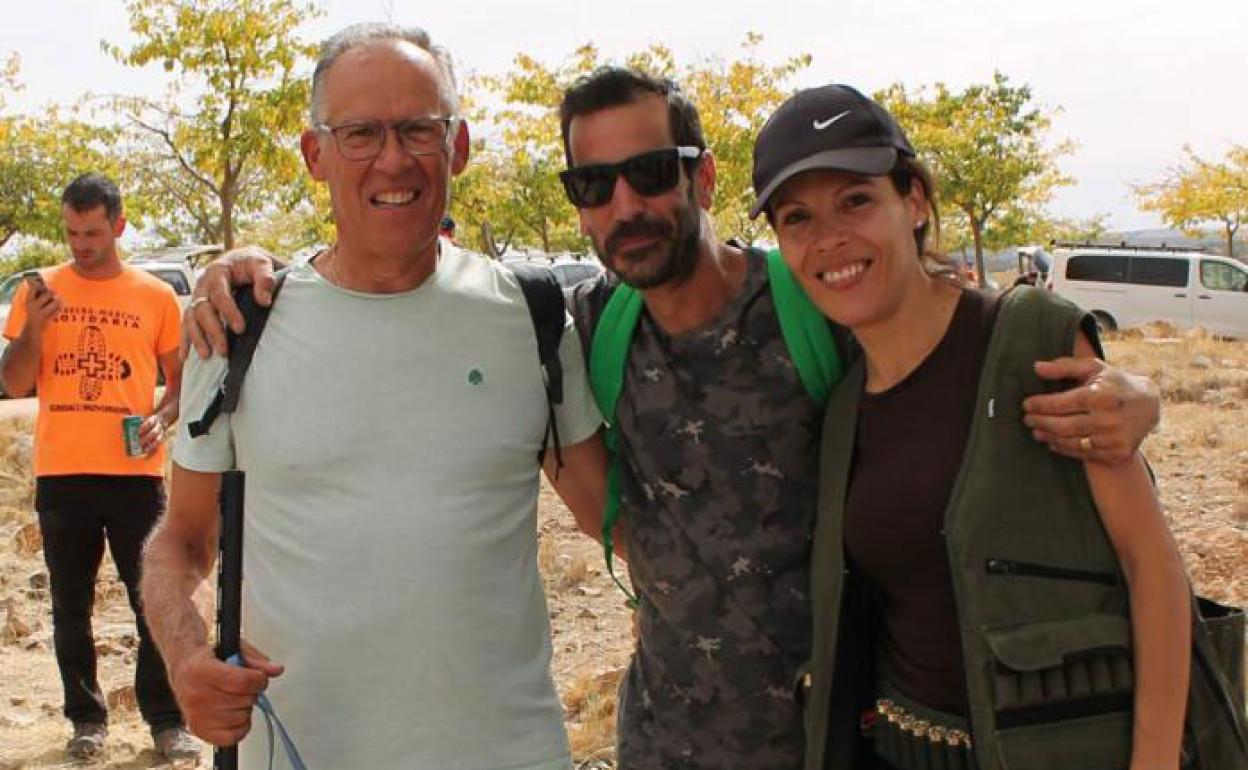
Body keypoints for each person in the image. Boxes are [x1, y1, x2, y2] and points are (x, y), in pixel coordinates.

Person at [184, 68, 1162, 770]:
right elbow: (547, 452)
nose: (626, 205)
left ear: (701, 178)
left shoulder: (812, 300)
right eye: (593, 185)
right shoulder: (581, 326)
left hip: (843, 732)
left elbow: (940, 328)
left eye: (652, 173)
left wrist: (1134, 394)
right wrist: (244, 270)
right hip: (663, 736)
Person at [139, 23, 604, 770]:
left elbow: (617, 522)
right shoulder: (238, 329)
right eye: (360, 133)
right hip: (296, 752)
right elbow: (182, 542)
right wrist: (186, 654)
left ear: (457, 145)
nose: (393, 159)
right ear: (314, 154)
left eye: (418, 129)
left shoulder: (533, 316)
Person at [750, 84, 1193, 770]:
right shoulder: (841, 407)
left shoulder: (1029, 344)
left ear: (914, 201)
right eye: (797, 217)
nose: (829, 238)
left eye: (856, 200)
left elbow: (1152, 567)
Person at [0, 173, 196, 762]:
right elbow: (14, 384)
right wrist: (36, 326)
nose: (81, 245)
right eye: (72, 233)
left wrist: (163, 418)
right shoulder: (38, 290)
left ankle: (166, 722)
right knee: (71, 606)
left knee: (153, 599)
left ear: (119, 225)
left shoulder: (154, 296)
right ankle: (86, 721)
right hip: (62, 473)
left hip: (136, 475)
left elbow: (179, 385)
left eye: (92, 233)